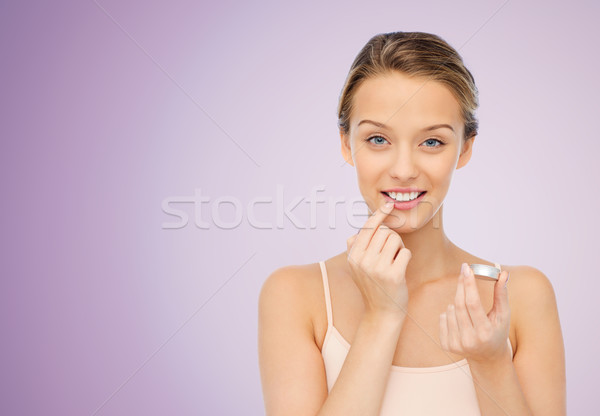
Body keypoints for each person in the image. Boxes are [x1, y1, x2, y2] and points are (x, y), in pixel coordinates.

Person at [258, 31, 566, 416]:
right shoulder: (294, 295)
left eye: (432, 142)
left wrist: (490, 363)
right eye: (377, 139)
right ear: (345, 144)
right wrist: (381, 315)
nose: (404, 170)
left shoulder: (521, 296)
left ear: (465, 147)